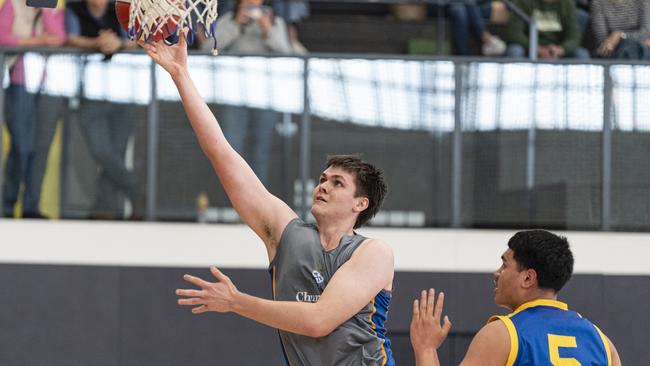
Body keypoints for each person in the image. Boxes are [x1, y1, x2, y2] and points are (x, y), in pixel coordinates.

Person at [140, 35, 395, 365]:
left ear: (360, 204)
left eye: (337, 183)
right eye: (322, 179)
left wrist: (236, 302)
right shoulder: (286, 232)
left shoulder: (373, 253)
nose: (323, 187)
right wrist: (180, 74)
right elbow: (222, 154)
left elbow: (319, 322)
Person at [410, 230, 622, 366]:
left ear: (528, 277)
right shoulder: (604, 344)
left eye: (504, 264)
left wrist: (426, 349)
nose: (497, 272)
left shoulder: (503, 334)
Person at [65, 0, 141, 219]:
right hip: (89, 94)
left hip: (121, 92)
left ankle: (104, 208)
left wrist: (118, 43)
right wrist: (96, 43)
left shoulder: (121, 10)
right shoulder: (74, 9)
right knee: (102, 151)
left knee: (115, 152)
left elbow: (136, 41)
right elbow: (69, 39)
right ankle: (135, 190)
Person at [202, 0, 290, 183]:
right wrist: (236, 25)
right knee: (231, 147)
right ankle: (232, 198)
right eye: (248, 5)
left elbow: (287, 55)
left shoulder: (275, 22)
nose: (252, 9)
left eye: (255, 5)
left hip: (266, 97)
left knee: (261, 149)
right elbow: (208, 48)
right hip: (235, 95)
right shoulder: (229, 20)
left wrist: (267, 30)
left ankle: (259, 204)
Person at [0, 0, 66, 218]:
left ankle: (31, 206)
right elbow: (2, 37)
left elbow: (58, 38)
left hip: (44, 84)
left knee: (38, 148)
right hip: (17, 83)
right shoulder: (13, 4)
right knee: (22, 144)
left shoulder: (53, 7)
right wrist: (36, 41)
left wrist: (46, 9)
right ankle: (7, 204)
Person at [505, 0, 590, 60]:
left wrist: (561, 49)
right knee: (515, 50)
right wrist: (538, 49)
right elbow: (515, 33)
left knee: (581, 54)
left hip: (557, 49)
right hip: (529, 47)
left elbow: (574, 35)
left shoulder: (567, 3)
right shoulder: (523, 2)